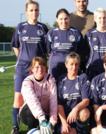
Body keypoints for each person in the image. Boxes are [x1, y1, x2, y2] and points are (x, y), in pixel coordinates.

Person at [10, 1, 48, 133]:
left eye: (36, 10)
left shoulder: (43, 28)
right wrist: (22, 59)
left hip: (38, 70)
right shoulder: (20, 27)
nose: (34, 13)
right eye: (31, 10)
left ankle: (39, 124)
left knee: (39, 98)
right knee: (19, 97)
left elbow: (47, 50)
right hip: (22, 68)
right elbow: (15, 46)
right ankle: (15, 127)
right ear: (26, 12)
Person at [19, 57, 57, 133]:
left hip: (46, 113)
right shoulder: (27, 82)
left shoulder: (50, 79)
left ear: (46, 68)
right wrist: (42, 119)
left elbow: (53, 101)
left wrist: (52, 122)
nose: (40, 69)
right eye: (37, 67)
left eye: (42, 67)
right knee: (29, 108)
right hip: (30, 113)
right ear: (32, 69)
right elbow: (32, 101)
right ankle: (31, 130)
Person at [57, 52, 91, 134]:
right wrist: (64, 123)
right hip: (67, 116)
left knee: (84, 113)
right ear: (66, 65)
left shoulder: (83, 77)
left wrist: (75, 109)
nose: (74, 67)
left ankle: (80, 130)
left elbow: (86, 100)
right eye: (71, 64)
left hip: (79, 113)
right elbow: (59, 104)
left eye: (76, 64)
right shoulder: (61, 80)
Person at [46, 8, 84, 79]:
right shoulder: (51, 33)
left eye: (66, 18)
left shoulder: (76, 33)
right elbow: (48, 52)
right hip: (55, 66)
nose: (63, 21)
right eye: (61, 19)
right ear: (57, 19)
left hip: (71, 68)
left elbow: (80, 51)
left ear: (69, 18)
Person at [85, 8, 106, 80]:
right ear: (95, 19)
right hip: (92, 68)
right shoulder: (89, 34)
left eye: (104, 18)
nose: (102, 20)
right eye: (100, 18)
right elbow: (86, 53)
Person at [70, 0, 96, 73]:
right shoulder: (69, 17)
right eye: (79, 1)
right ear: (75, 3)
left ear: (87, 2)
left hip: (90, 57)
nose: (81, 4)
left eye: (83, 1)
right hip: (73, 59)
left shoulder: (94, 17)